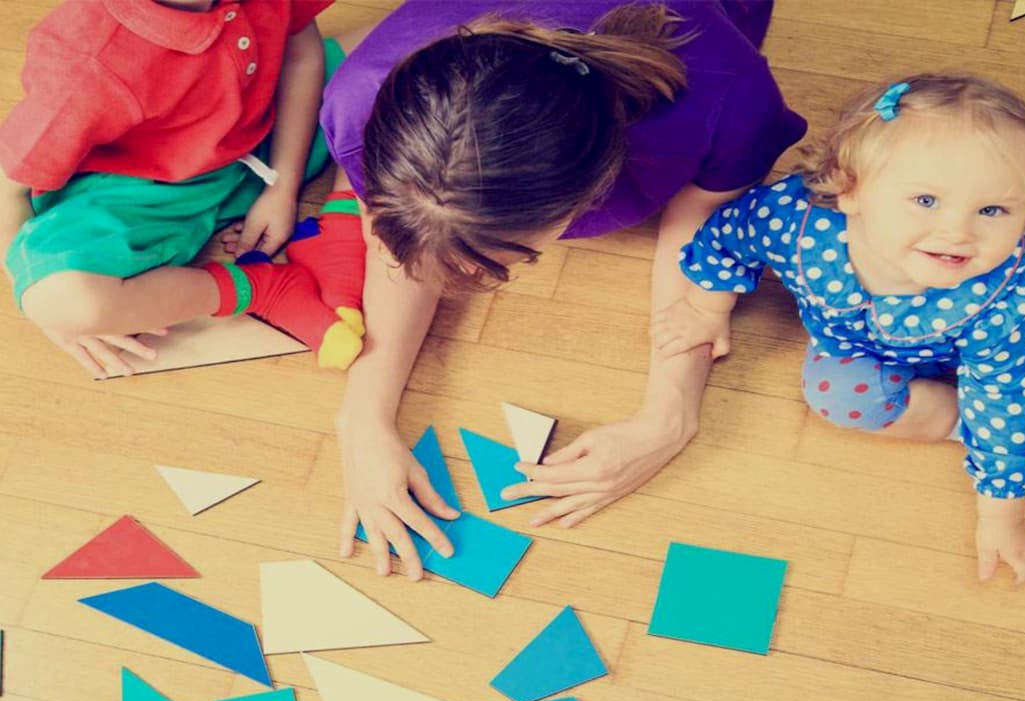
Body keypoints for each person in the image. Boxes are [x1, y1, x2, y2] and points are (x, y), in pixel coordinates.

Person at [311, 1, 807, 578]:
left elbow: (703, 242)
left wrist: (669, 415)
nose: (466, 284)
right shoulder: (361, 102)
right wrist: (363, 416)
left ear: (594, 194)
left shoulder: (729, 96)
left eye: (503, 259)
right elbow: (410, 253)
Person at [651, 73, 1025, 584]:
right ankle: (964, 421)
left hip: (1010, 344)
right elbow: (727, 237)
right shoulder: (794, 220)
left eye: (992, 210)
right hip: (864, 348)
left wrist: (1004, 515)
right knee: (839, 396)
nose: (957, 231)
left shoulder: (1005, 291)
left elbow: (1005, 393)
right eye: (925, 201)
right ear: (848, 191)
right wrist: (705, 308)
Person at [0, 0, 364, 379]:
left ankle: (340, 222)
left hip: (259, 137)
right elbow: (7, 189)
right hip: (133, 197)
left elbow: (301, 56)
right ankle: (265, 288)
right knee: (64, 302)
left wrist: (282, 187)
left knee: (414, 50)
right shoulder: (85, 63)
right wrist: (40, 295)